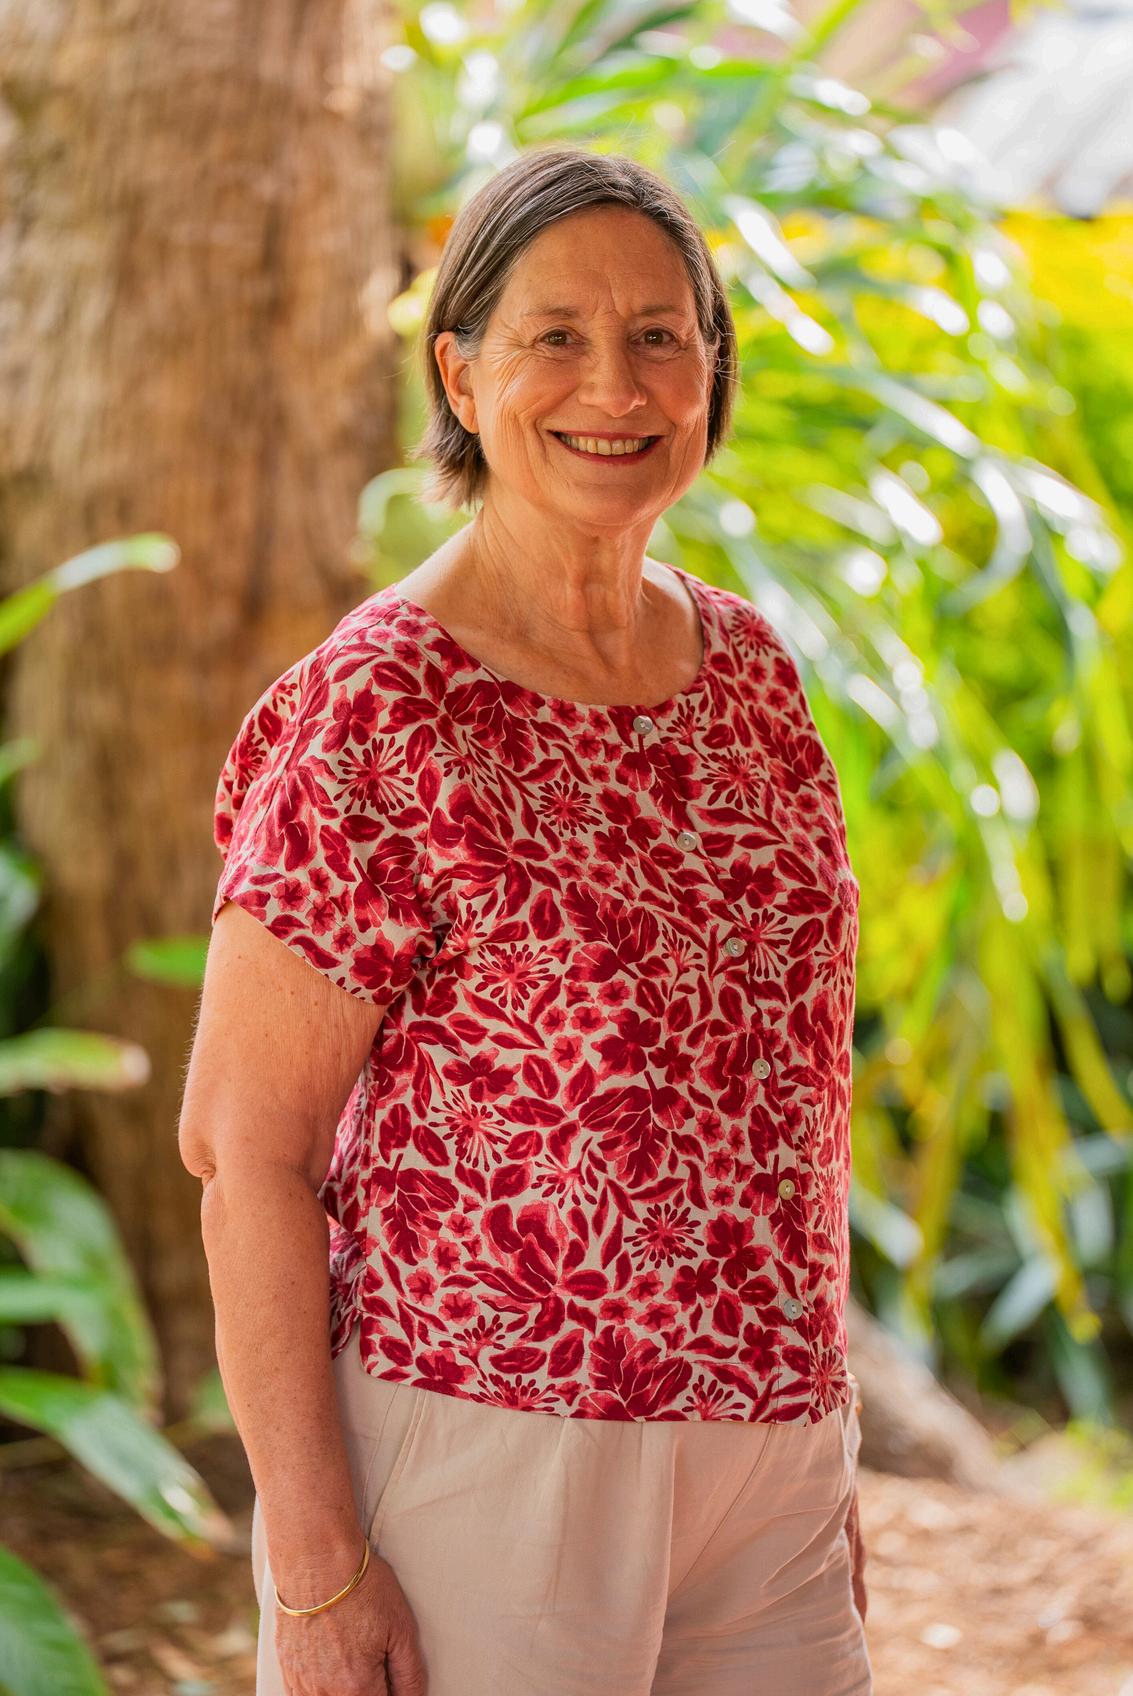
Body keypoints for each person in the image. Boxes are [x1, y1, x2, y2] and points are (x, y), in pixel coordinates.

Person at [178, 144, 872, 1696]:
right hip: (490, 1461)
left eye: (658, 335)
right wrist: (312, 1564)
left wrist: (818, 1451)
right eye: (554, 334)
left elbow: (788, 1097)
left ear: (710, 369)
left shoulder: (755, 678)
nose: (613, 385)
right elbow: (246, 1150)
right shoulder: (381, 706)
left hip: (766, 1462)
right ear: (461, 374)